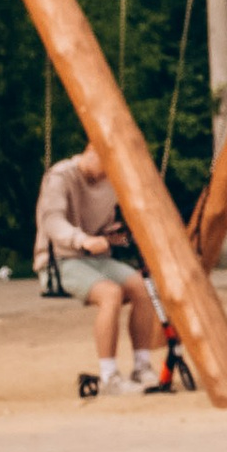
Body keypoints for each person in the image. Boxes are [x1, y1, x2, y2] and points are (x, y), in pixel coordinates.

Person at [33, 147, 161, 393]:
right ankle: (109, 376)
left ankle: (142, 367)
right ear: (93, 152)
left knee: (144, 288)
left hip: (97, 258)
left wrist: (115, 235)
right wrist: (82, 240)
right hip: (61, 261)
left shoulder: (111, 178)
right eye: (107, 165)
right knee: (110, 294)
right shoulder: (60, 176)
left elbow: (107, 225)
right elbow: (52, 221)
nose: (110, 174)